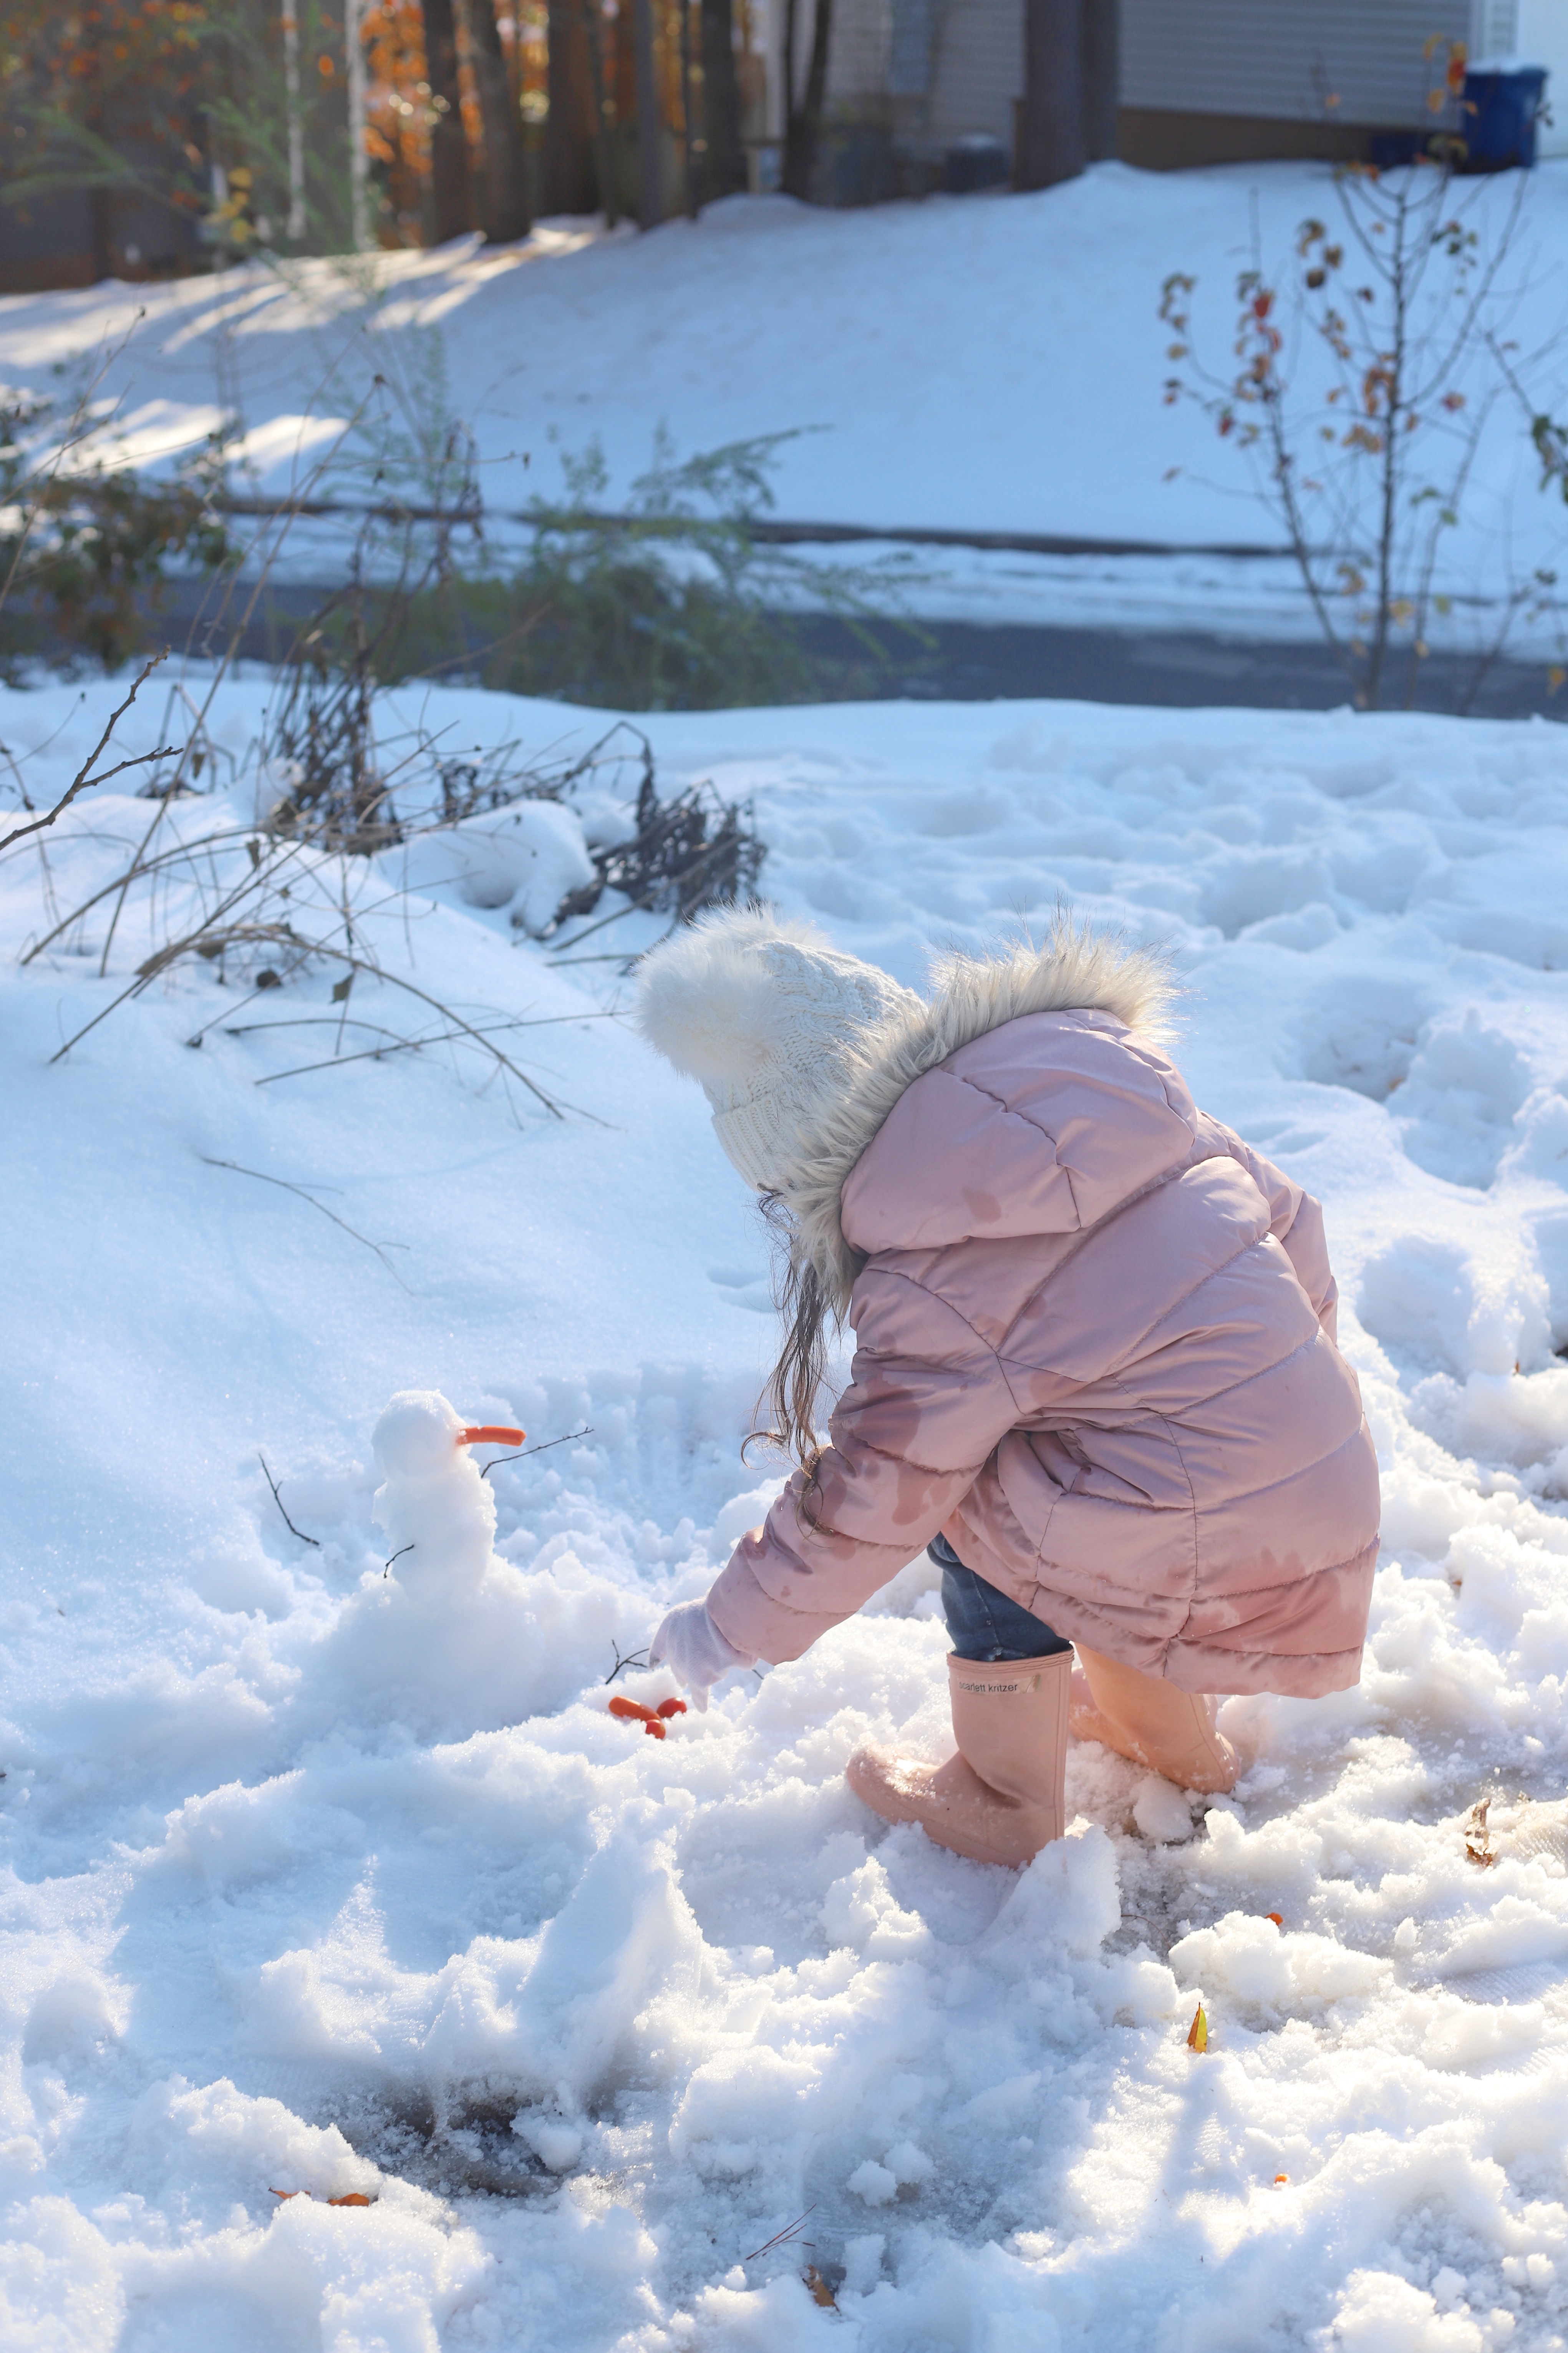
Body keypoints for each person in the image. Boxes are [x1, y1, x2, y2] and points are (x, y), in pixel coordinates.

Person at [639, 908, 1379, 1867]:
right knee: (1100, 1454)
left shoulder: (934, 1262)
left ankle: (1002, 1793)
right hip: (1315, 1478)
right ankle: (1186, 1747)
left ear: (803, 1162)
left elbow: (873, 1488)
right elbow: (1299, 1225)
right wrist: (1291, 1377)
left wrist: (728, 1625)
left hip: (1190, 1525)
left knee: (972, 1479)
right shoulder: (1109, 1094)